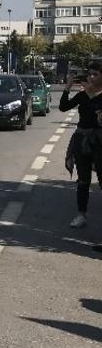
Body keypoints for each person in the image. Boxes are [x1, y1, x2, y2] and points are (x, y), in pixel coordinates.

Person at [60, 62, 102, 228]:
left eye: (95, 74)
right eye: (89, 74)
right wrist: (67, 88)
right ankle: (81, 215)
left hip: (100, 141)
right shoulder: (82, 95)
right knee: (83, 179)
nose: (91, 77)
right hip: (82, 140)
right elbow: (63, 107)